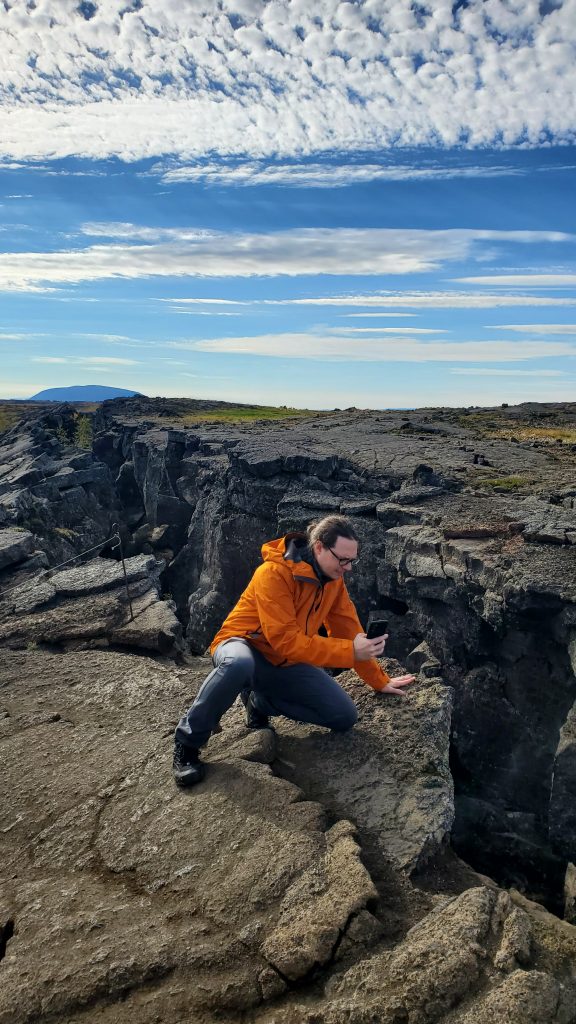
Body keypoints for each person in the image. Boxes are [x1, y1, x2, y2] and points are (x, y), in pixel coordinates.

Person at [173, 514, 415, 786]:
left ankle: (259, 702)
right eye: (343, 559)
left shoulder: (333, 581)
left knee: (343, 716)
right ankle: (187, 744)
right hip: (241, 645)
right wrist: (350, 651)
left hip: (283, 661)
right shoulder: (274, 573)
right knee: (238, 665)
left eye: (352, 560)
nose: (348, 568)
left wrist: (379, 681)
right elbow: (285, 640)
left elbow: (348, 630)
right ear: (320, 547)